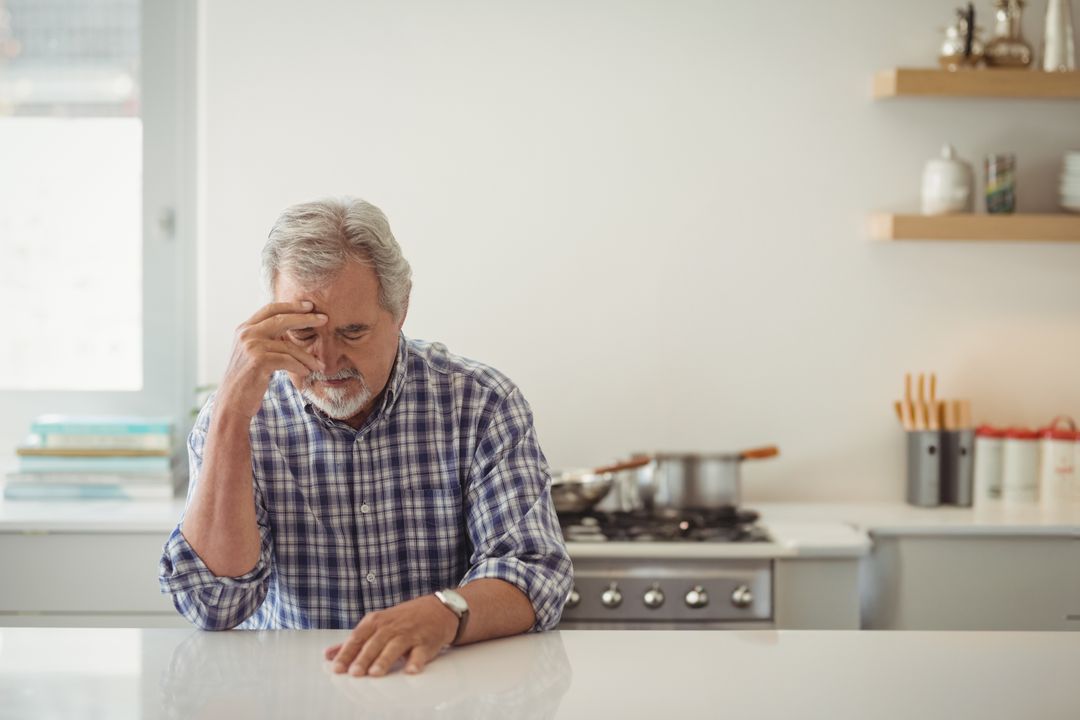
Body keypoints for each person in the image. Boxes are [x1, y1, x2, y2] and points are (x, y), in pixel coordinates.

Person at [158, 196, 573, 677]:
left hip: (442, 688)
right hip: (299, 697)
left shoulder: (481, 404)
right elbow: (212, 604)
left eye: (353, 332)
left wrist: (446, 611)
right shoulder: (236, 419)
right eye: (303, 334)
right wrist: (231, 415)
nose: (326, 362)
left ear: (400, 310)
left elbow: (534, 571)